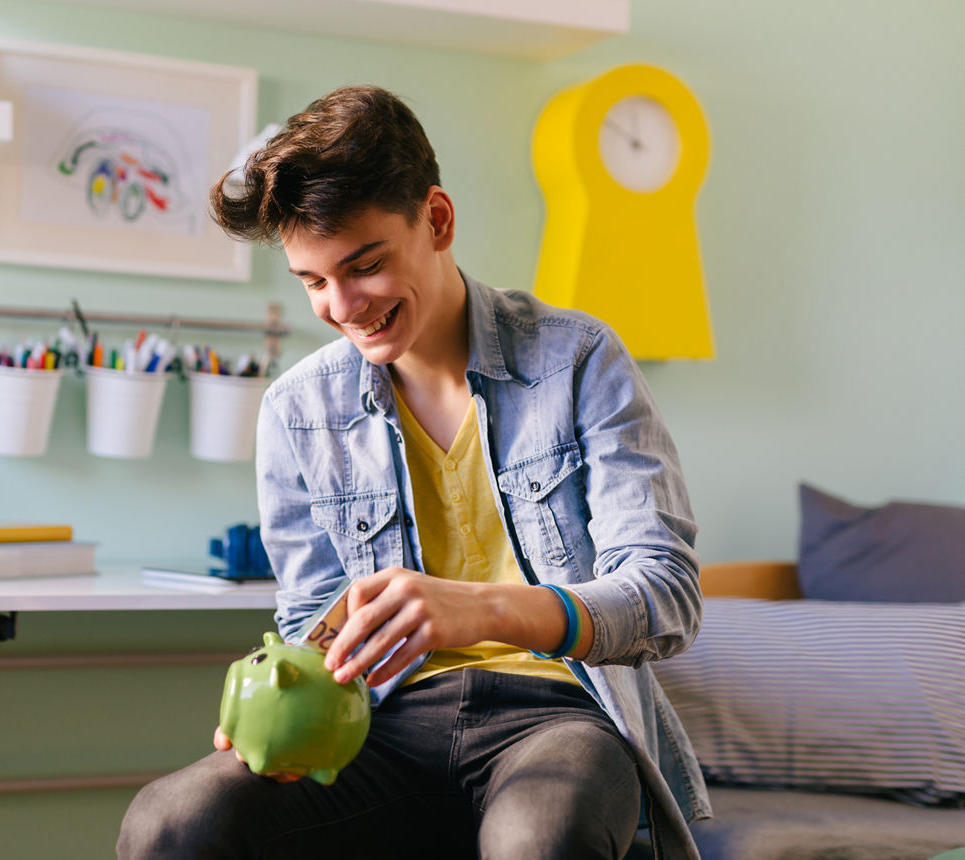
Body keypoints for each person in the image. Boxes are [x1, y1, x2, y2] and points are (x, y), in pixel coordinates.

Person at [118, 84, 709, 860]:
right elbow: (313, 621)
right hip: (382, 726)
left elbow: (665, 593)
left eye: (363, 266)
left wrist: (482, 610)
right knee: (171, 820)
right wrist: (285, 683)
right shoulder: (298, 409)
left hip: (563, 717)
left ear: (436, 219)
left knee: (538, 839)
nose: (341, 305)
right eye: (313, 281)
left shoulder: (578, 360)